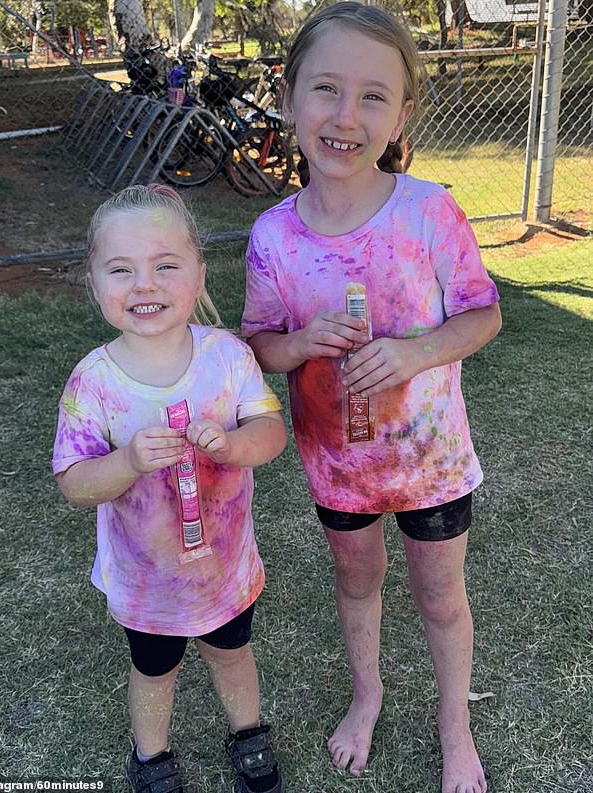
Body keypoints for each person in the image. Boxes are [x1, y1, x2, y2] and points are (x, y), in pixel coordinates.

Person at [241, 3, 502, 792]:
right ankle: (369, 693)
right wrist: (300, 344)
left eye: (373, 96)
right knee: (356, 580)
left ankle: (454, 728)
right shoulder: (273, 236)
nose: (345, 116)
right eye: (325, 89)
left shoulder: (430, 210)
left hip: (432, 464)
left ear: (402, 114)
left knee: (439, 593)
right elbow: (260, 342)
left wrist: (414, 353)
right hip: (340, 468)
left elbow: (483, 313)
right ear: (289, 100)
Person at [52, 184, 287, 793]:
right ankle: (152, 755)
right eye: (121, 269)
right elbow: (76, 485)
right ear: (94, 282)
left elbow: (270, 431)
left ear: (199, 273)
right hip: (146, 580)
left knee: (232, 652)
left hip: (224, 568)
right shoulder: (93, 383)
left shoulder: (228, 357)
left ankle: (248, 731)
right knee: (154, 669)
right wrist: (127, 460)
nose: (144, 285)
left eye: (165, 266)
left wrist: (235, 446)